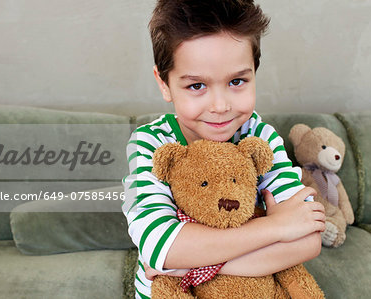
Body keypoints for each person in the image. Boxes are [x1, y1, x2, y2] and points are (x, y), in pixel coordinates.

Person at [122, 1, 326, 298]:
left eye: (237, 81)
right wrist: (277, 227)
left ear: (255, 73)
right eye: (196, 86)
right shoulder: (150, 144)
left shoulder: (261, 138)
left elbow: (307, 241)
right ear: (164, 84)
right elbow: (159, 247)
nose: (220, 106)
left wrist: (188, 266)